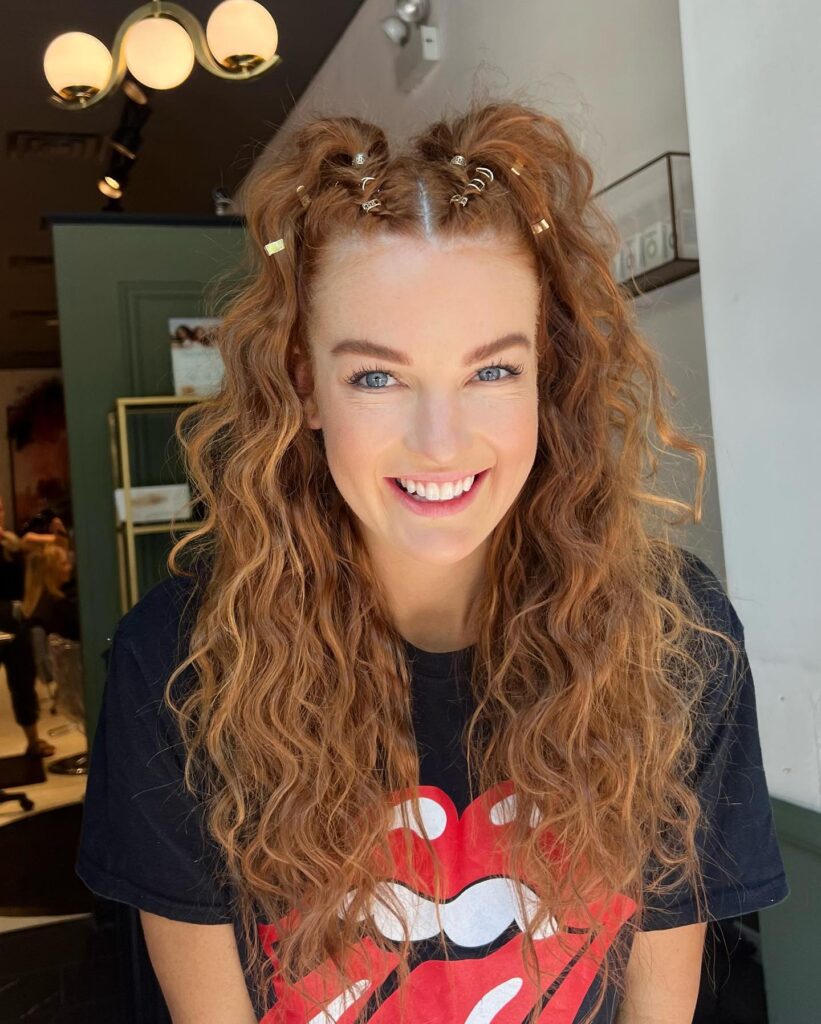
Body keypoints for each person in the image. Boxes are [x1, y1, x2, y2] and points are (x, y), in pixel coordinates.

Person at [75, 100, 790, 1024]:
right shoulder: (178, 667)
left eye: (493, 370)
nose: (441, 441)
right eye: (376, 376)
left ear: (549, 374)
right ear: (306, 386)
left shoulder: (670, 641)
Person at [0, 496, 70, 757]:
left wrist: (46, 535)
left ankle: (32, 740)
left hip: (17, 623)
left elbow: (62, 545)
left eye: (0, 508)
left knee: (23, 683)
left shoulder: (17, 543)